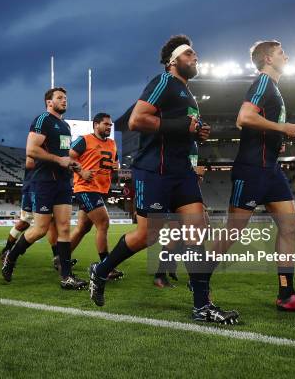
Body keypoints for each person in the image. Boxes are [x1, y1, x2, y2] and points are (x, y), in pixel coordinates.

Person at [88, 35, 239, 324]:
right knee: (149, 235)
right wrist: (183, 125)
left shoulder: (189, 94)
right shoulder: (163, 82)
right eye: (190, 54)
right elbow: (137, 120)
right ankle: (101, 269)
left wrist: (196, 132)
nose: (196, 58)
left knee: (197, 230)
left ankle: (201, 306)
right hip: (154, 171)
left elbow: (180, 128)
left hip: (181, 172)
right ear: (174, 61)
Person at [210, 40, 295, 313]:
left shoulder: (274, 88)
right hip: (251, 169)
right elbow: (244, 117)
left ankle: (287, 294)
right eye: (281, 52)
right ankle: (200, 275)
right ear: (268, 59)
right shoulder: (262, 83)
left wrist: (276, 136)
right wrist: (282, 127)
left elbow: (256, 123)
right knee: (233, 232)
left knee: (290, 227)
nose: (287, 55)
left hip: (270, 169)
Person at [1, 87, 87, 290]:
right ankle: (11, 257)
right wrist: (58, 159)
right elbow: (31, 150)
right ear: (49, 102)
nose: (64, 101)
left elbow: (63, 155)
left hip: (63, 182)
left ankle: (66, 277)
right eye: (60, 98)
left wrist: (74, 165)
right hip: (44, 181)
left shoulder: (65, 126)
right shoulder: (42, 120)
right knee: (39, 229)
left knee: (64, 227)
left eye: (66, 98)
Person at [68, 112, 123, 280]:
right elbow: (68, 158)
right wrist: (81, 171)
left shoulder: (112, 143)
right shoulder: (84, 140)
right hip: (85, 187)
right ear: (96, 124)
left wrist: (117, 166)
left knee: (83, 228)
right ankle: (106, 267)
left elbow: (116, 163)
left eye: (110, 125)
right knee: (103, 223)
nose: (109, 127)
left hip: (100, 189)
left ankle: (60, 257)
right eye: (106, 124)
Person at [0, 157, 35, 262]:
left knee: (51, 224)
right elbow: (29, 162)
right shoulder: (37, 144)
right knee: (25, 223)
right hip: (33, 187)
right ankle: (7, 250)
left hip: (50, 187)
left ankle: (59, 257)